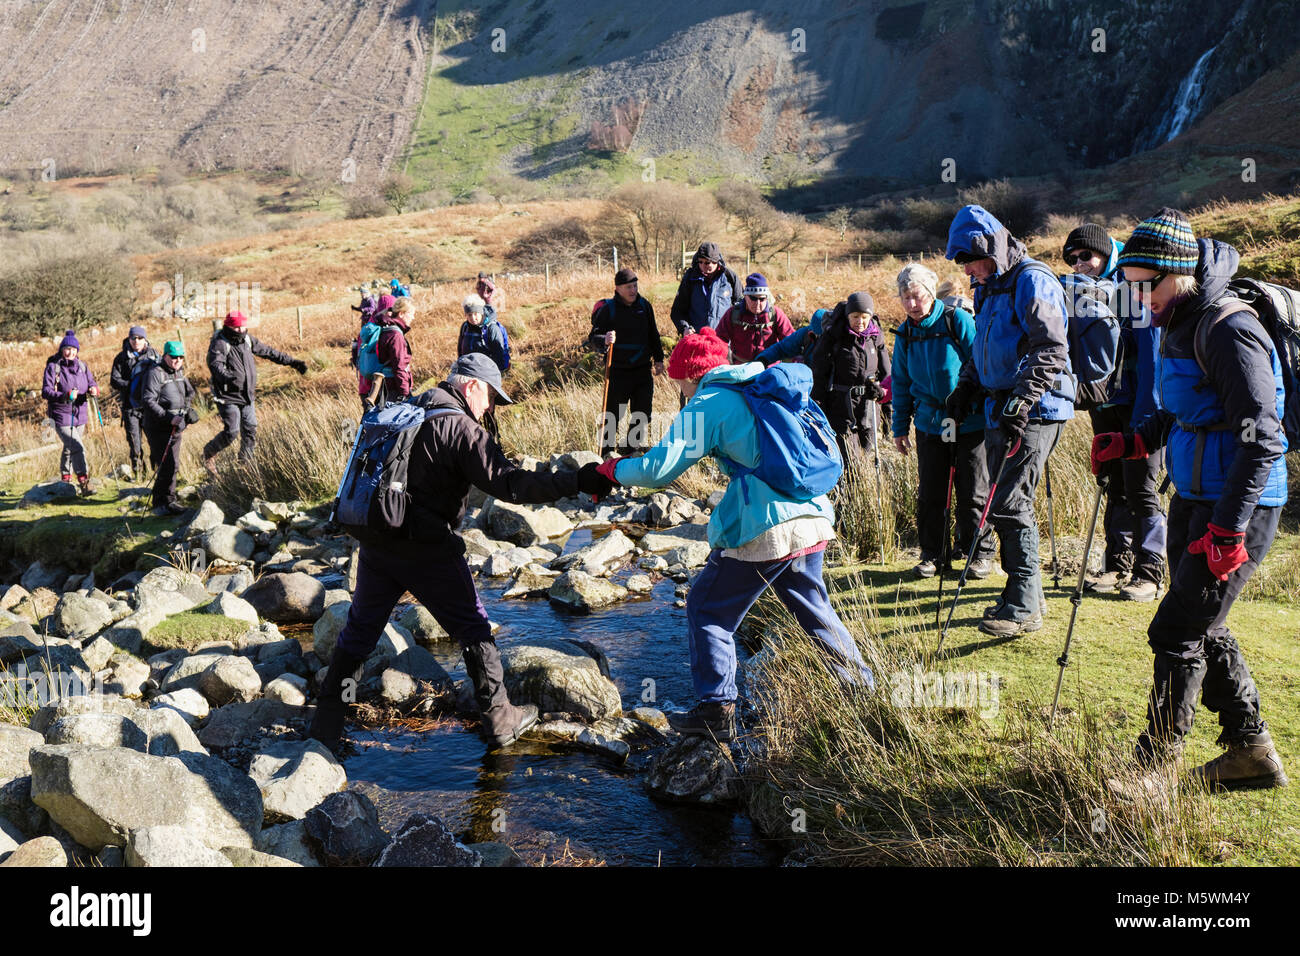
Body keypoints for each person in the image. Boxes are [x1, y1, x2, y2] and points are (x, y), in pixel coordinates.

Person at [310, 352, 614, 753]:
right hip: (426, 547)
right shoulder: (459, 428)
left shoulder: (410, 408)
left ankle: (326, 723)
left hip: (377, 540)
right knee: (474, 627)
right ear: (471, 385)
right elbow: (510, 485)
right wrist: (578, 479)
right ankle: (500, 718)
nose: (490, 406)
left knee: (360, 631)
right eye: (490, 396)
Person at [592, 328, 874, 740]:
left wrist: (613, 469)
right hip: (812, 518)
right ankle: (863, 690)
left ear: (691, 374)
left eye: (680, 382)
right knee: (814, 610)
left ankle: (716, 711)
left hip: (767, 528)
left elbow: (658, 470)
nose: (681, 391)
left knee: (707, 611)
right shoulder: (759, 386)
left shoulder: (710, 403)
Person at [1094, 209, 1287, 791]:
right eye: (1130, 287)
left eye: (1145, 284)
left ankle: (1155, 766)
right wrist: (1136, 438)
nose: (1138, 298)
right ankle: (1251, 752)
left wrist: (1229, 529)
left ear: (1180, 273)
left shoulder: (1229, 328)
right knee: (1206, 624)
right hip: (1194, 497)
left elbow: (1263, 436)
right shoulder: (1178, 322)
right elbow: (1181, 410)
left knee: (1176, 631)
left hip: (1238, 507)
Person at [943, 204, 1075, 637]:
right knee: (1005, 501)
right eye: (962, 264)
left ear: (991, 250)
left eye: (970, 261)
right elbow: (984, 347)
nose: (967, 272)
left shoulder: (1032, 280)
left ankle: (1023, 606)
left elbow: (1051, 348)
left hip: (1036, 408)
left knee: (1010, 500)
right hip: (998, 405)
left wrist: (1020, 401)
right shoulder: (988, 287)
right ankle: (1023, 593)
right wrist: (966, 387)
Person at [1063, 224, 1166, 602]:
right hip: (1103, 406)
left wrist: (1147, 421)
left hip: (1140, 409)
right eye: (1072, 259)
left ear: (1107, 256)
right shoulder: (1082, 298)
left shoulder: (1134, 291)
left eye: (1086, 256)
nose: (1079, 264)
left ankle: (1150, 572)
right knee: (1112, 485)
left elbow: (1153, 358)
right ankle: (1117, 565)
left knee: (1142, 489)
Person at [890, 264, 994, 580]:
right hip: (929, 423)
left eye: (916, 296)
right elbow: (900, 382)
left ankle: (979, 554)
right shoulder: (905, 333)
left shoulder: (956, 320)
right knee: (931, 492)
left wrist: (973, 401)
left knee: (973, 490)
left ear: (930, 292)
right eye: (905, 298)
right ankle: (933, 555)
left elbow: (982, 363)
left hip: (969, 420)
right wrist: (899, 427)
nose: (911, 304)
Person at [203, 311, 307, 472]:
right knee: (232, 431)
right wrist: (228, 377)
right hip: (227, 396)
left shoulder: (247, 340)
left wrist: (292, 362)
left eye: (243, 326)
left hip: (246, 395)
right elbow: (215, 364)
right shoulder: (220, 343)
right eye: (237, 327)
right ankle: (209, 453)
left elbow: (269, 352)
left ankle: (245, 465)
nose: (241, 329)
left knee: (250, 428)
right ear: (229, 326)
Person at [587, 267, 665, 457]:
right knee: (612, 415)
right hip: (617, 372)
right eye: (629, 287)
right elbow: (592, 337)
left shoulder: (645, 306)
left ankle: (631, 450)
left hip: (642, 371)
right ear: (618, 288)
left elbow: (653, 334)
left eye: (635, 286)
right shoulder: (608, 309)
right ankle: (606, 453)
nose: (633, 290)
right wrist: (604, 338)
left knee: (642, 412)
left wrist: (659, 359)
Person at [810, 292, 891, 465]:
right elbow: (819, 372)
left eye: (864, 317)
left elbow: (886, 375)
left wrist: (888, 412)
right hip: (840, 408)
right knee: (850, 462)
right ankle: (847, 489)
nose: (860, 322)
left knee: (866, 453)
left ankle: (859, 490)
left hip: (869, 407)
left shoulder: (876, 336)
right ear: (847, 315)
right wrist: (818, 405)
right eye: (855, 316)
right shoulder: (834, 336)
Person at [140, 340, 198, 515]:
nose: (177, 360)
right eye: (173, 357)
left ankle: (167, 501)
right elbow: (148, 400)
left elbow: (189, 393)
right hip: (157, 427)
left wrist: (188, 412)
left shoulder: (178, 372)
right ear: (165, 356)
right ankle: (161, 504)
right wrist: (168, 417)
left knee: (173, 465)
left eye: (180, 357)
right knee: (166, 466)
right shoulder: (155, 373)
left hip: (175, 426)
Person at [41, 330, 101, 496]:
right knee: (77, 447)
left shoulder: (82, 366)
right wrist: (64, 396)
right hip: (61, 414)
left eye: (74, 349)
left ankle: (65, 480)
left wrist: (94, 389)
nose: (71, 352)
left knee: (69, 448)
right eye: (67, 348)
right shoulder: (54, 367)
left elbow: (92, 382)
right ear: (62, 349)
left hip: (80, 414)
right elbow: (46, 391)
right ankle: (84, 482)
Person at [109, 325, 158, 479]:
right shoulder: (121, 358)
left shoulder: (154, 355)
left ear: (145, 339)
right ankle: (139, 474)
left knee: (154, 441)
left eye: (140, 338)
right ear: (129, 339)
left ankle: (156, 472)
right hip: (130, 407)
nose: (136, 341)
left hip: (150, 407)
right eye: (133, 338)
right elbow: (114, 380)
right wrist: (132, 385)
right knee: (135, 443)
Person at [716, 273, 795, 363]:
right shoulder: (733, 313)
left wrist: (795, 360)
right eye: (753, 298)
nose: (757, 303)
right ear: (745, 296)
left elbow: (790, 340)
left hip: (769, 367)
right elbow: (719, 340)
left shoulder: (775, 314)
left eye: (762, 299)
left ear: (767, 298)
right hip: (741, 367)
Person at [669, 241, 742, 335]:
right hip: (697, 339)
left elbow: (740, 307)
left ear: (716, 261)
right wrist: (685, 328)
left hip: (723, 340)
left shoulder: (730, 277)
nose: (703, 266)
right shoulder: (690, 278)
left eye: (707, 262)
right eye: (700, 262)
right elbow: (677, 311)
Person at [358, 296, 414, 411]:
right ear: (401, 314)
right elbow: (399, 367)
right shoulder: (396, 335)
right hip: (393, 390)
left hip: (382, 387)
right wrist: (406, 394)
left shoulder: (385, 329)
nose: (413, 317)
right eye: (411, 313)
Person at [754, 308, 828, 367]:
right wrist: (763, 360)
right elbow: (781, 348)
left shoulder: (837, 345)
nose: (815, 340)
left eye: (820, 337)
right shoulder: (805, 334)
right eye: (813, 336)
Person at [457, 293, 510, 372]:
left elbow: (499, 354)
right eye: (469, 315)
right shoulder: (465, 327)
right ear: (465, 315)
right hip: (469, 368)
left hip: (488, 371)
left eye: (475, 314)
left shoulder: (492, 329)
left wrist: (497, 374)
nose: (473, 318)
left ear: (481, 313)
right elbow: (460, 349)